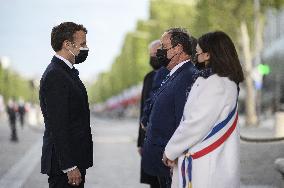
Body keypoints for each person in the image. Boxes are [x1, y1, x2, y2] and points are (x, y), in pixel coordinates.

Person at [163, 31, 244, 188]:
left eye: (199, 50)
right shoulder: (220, 81)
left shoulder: (216, 83)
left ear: (208, 55)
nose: (196, 52)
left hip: (206, 165)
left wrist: (170, 150)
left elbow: (195, 123)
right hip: (211, 161)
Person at [141, 28, 198, 188]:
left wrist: (174, 154)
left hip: (170, 161)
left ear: (178, 49)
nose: (160, 52)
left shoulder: (188, 76)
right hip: (162, 161)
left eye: (163, 47)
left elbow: (184, 121)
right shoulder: (173, 73)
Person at [39, 22, 93, 188]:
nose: (86, 48)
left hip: (74, 160)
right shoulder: (56, 75)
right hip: (66, 167)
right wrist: (69, 166)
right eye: (82, 43)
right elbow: (58, 125)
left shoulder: (66, 72)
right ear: (67, 44)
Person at [138, 40, 165, 188]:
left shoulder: (169, 75)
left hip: (161, 138)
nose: (153, 57)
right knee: (153, 181)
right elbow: (143, 110)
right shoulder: (148, 77)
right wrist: (140, 142)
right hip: (148, 139)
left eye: (156, 54)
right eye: (151, 55)